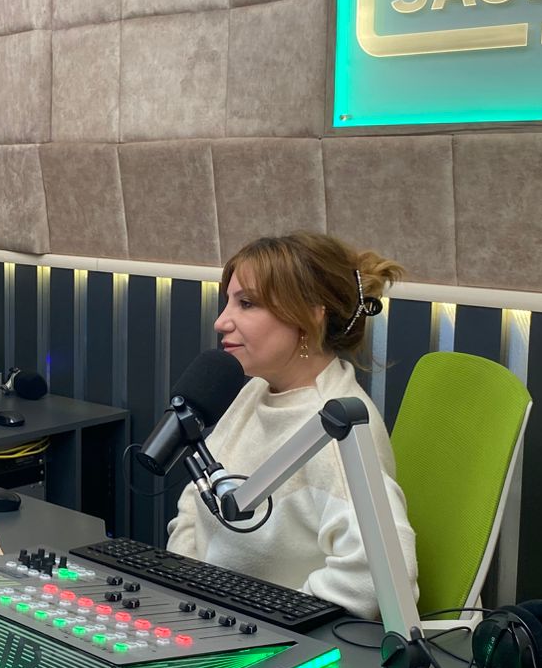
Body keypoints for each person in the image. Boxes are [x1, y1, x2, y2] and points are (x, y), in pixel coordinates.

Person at [166, 231, 418, 620]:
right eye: (228, 302)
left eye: (246, 303)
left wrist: (271, 620)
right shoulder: (256, 391)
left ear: (310, 316)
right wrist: (187, 587)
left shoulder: (338, 432)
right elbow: (197, 499)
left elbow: (376, 578)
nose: (221, 322)